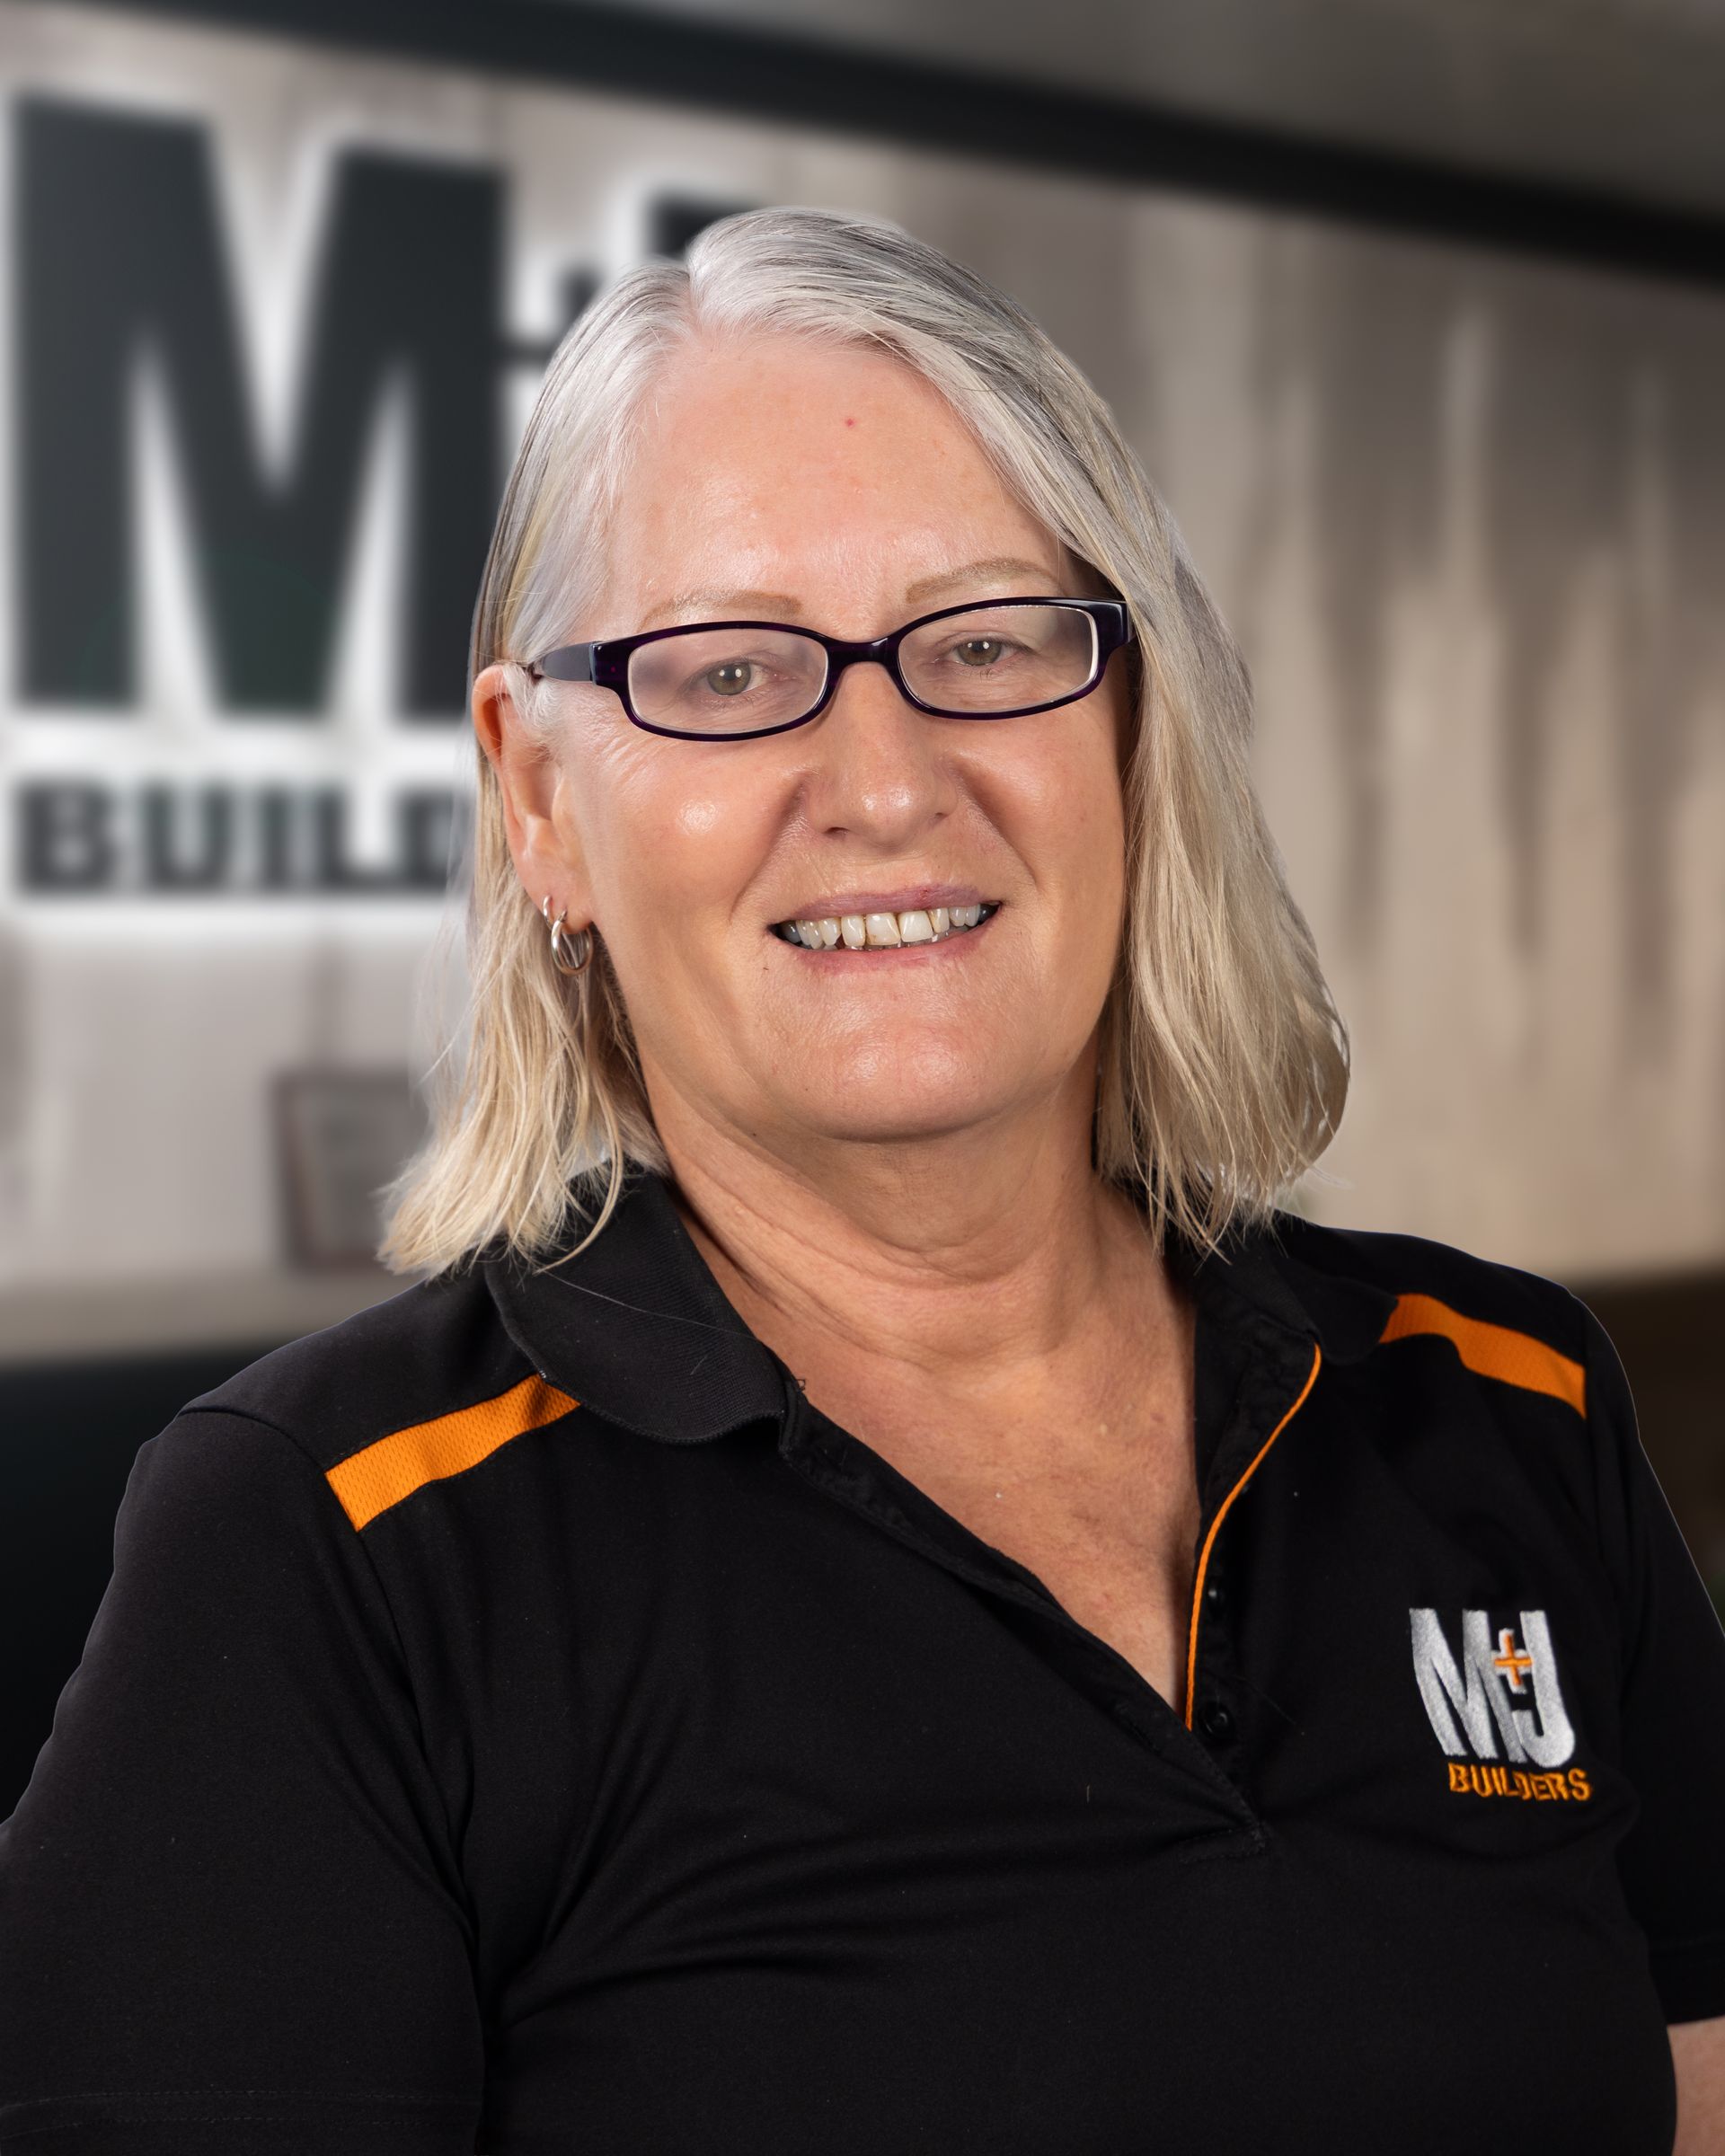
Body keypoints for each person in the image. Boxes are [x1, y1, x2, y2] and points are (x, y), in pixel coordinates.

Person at [2, 206, 1722, 2156]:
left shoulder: (1504, 1399)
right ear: (541, 799)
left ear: (1134, 731)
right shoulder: (331, 1548)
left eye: (988, 643)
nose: (888, 778)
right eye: (730, 674)